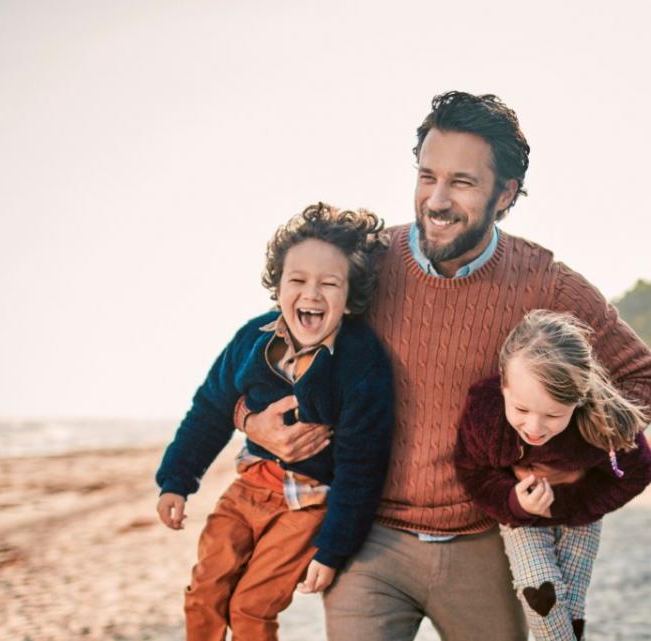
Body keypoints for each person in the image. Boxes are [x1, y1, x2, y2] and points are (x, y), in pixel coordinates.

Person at [235, 91, 651, 641]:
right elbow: (267, 356)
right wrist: (250, 420)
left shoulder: (548, 283)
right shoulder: (363, 266)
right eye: (426, 176)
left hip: (490, 542)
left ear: (505, 194)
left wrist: (564, 454)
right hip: (366, 539)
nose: (436, 199)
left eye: (461, 182)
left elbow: (638, 379)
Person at [155, 204, 395, 641]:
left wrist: (333, 550)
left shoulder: (362, 362)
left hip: (307, 503)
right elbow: (210, 407)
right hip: (248, 487)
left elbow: (364, 465)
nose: (312, 294)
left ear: (351, 293)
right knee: (204, 592)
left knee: (250, 608)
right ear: (279, 285)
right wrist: (176, 479)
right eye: (298, 280)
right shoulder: (253, 338)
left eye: (330, 283)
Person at [455, 310, 651, 641]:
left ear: (579, 399)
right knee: (540, 593)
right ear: (503, 384)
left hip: (579, 518)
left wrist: (571, 502)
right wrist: (513, 501)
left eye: (553, 415)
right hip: (521, 516)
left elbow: (637, 472)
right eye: (521, 410)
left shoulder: (602, 419)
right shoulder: (484, 410)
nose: (534, 428)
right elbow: (471, 470)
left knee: (571, 606)